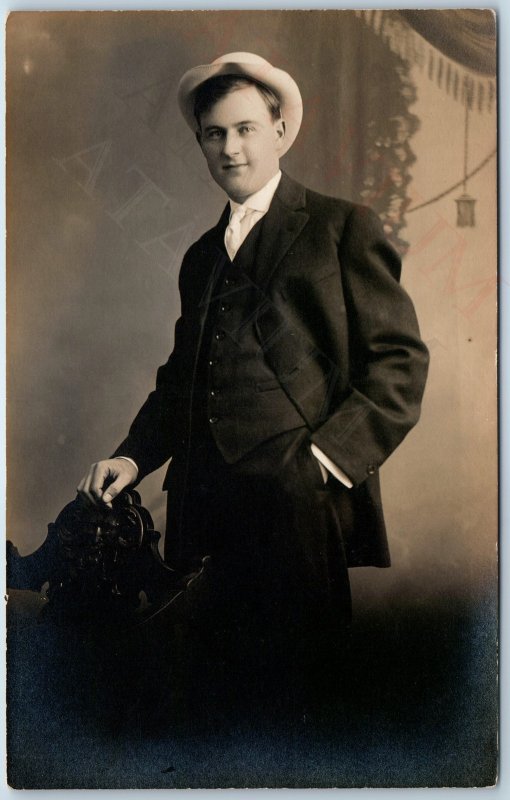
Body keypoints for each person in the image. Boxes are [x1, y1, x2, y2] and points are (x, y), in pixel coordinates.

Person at [78, 52, 429, 715]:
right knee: (216, 701)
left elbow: (400, 366)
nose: (230, 147)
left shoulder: (339, 227)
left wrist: (323, 464)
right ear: (202, 143)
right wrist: (130, 456)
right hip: (206, 506)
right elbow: (182, 383)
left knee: (303, 700)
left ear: (279, 132)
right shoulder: (200, 258)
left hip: (298, 511)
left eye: (244, 128)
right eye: (214, 133)